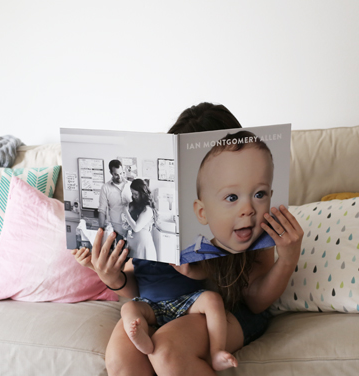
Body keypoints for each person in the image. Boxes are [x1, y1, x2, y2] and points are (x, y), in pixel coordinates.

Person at [72, 102, 303, 376]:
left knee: (167, 351)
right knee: (122, 359)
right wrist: (109, 276)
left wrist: (288, 259)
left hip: (224, 311)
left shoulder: (250, 217)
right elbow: (141, 288)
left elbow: (254, 301)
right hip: (162, 305)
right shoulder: (151, 217)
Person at [180, 130, 276, 264]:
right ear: (203, 213)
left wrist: (287, 259)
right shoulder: (191, 257)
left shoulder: (272, 239)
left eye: (259, 195)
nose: (248, 209)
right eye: (232, 198)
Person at [122, 179, 157, 261]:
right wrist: (127, 226)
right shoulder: (137, 206)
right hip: (133, 245)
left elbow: (136, 228)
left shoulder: (147, 209)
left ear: (142, 194)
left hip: (142, 245)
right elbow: (133, 224)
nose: (133, 196)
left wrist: (126, 212)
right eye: (132, 193)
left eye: (136, 194)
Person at [98, 159, 132, 238]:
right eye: (116, 174)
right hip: (116, 230)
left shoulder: (130, 185)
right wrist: (101, 230)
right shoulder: (105, 188)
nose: (119, 177)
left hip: (131, 228)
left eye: (121, 173)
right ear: (111, 173)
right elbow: (102, 210)